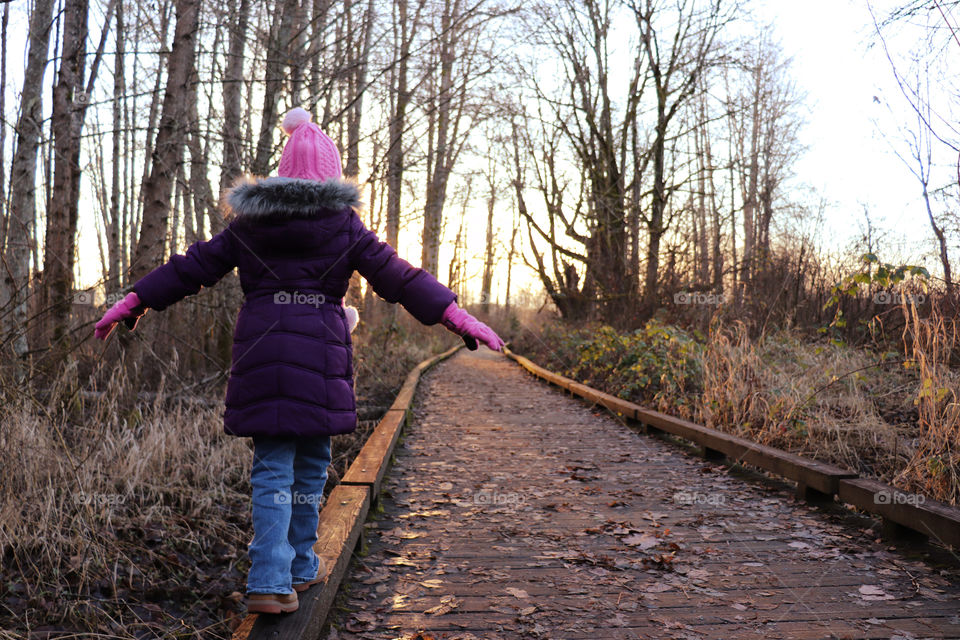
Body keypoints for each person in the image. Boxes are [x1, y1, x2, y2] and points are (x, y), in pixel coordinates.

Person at [94, 107, 504, 614]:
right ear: (331, 177)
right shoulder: (346, 227)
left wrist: (136, 299)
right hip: (321, 359)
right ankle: (299, 565)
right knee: (311, 465)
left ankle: (272, 577)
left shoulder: (249, 226)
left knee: (272, 468)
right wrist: (454, 314)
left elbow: (191, 267)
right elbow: (398, 277)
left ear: (283, 172)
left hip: (262, 353)